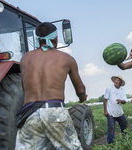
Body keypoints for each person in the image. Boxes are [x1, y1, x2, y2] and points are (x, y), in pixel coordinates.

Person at [15, 22, 87, 150]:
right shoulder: (66, 58)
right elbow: (80, 90)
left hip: (30, 113)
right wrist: (82, 98)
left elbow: (24, 87)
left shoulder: (25, 58)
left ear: (37, 39)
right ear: (56, 39)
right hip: (55, 111)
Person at [103, 75, 128, 144]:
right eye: (116, 80)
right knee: (111, 128)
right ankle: (110, 143)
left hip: (119, 112)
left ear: (120, 82)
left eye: (118, 80)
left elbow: (125, 101)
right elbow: (105, 99)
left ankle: (125, 139)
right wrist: (105, 110)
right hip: (111, 112)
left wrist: (121, 101)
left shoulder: (122, 90)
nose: (116, 81)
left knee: (125, 124)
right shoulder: (109, 89)